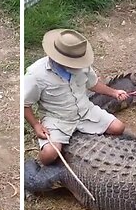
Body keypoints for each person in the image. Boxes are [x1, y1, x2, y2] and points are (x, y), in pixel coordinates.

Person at [24, 29, 129, 166]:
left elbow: (93, 84)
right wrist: (36, 125)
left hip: (85, 111)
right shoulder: (35, 75)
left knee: (118, 128)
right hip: (57, 119)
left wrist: (114, 92)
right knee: (49, 154)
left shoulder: (82, 66)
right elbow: (25, 104)